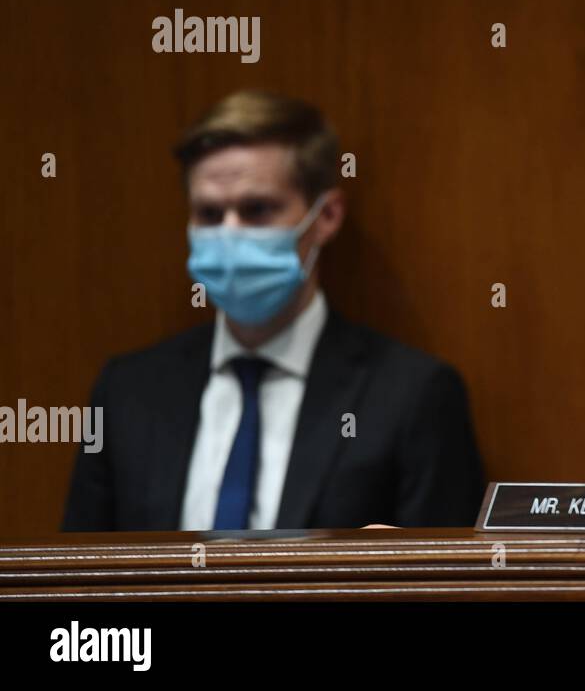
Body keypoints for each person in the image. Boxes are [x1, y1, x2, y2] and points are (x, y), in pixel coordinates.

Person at [63, 91, 485, 531]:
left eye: (257, 210)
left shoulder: (413, 396)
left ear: (326, 216)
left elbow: (451, 581)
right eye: (209, 214)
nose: (229, 234)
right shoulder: (128, 392)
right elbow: (78, 574)